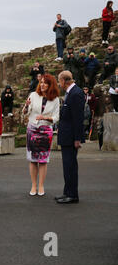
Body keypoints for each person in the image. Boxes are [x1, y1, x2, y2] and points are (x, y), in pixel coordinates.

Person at [23, 74, 60, 196]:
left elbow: (56, 117)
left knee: (43, 160)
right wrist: (26, 106)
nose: (42, 84)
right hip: (32, 129)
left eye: (45, 83)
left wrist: (45, 117)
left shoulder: (55, 99)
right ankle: (33, 185)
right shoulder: (33, 95)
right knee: (33, 159)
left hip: (46, 130)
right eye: (41, 82)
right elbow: (26, 113)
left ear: (50, 85)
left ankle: (41, 186)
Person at [56, 71, 85, 204]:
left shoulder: (76, 93)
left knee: (70, 166)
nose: (59, 84)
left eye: (59, 81)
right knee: (67, 166)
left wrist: (77, 139)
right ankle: (67, 192)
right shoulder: (70, 93)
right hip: (67, 136)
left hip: (71, 137)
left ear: (63, 81)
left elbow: (78, 118)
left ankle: (72, 195)